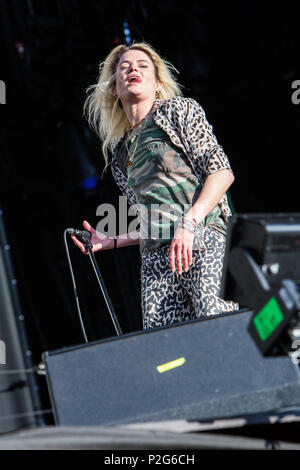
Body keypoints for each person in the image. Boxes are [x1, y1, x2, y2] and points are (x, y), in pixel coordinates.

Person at [72, 41, 239, 330]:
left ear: (158, 83)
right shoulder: (119, 153)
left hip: (202, 240)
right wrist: (110, 240)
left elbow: (222, 172)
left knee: (219, 333)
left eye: (141, 65)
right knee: (169, 353)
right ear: (114, 88)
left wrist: (189, 224)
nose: (132, 69)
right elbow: (152, 222)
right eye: (123, 68)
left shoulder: (179, 111)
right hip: (157, 260)